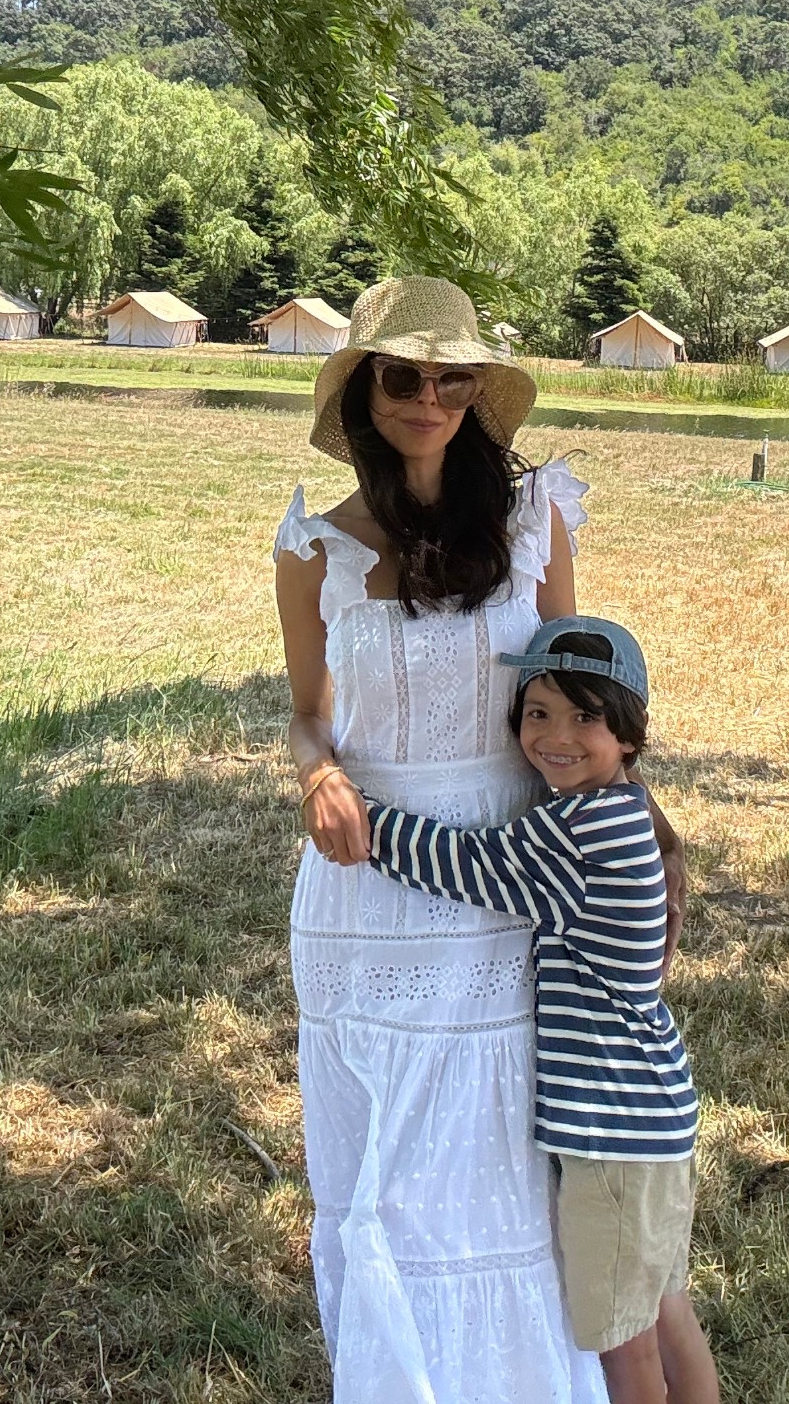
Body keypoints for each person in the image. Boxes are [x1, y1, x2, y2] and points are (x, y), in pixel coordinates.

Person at [273, 275, 686, 1404]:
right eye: (403, 375)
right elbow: (308, 707)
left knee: (506, 1179)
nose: (429, 397)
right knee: (387, 1189)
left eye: (453, 377)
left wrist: (637, 844)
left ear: (478, 394)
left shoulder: (534, 515)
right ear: (365, 392)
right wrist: (317, 772)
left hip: (514, 883)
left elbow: (579, 684)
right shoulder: (315, 545)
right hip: (365, 898)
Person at [339, 617, 720, 1404]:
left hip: (613, 1136)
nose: (556, 736)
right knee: (666, 1309)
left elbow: (464, 865)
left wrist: (355, 810)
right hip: (655, 1118)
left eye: (586, 717)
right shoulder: (625, 809)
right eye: (538, 711)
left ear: (629, 735)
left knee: (626, 1345)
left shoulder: (579, 832)